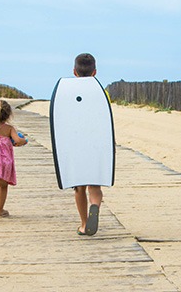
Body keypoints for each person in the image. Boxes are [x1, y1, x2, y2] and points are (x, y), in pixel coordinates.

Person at [72, 53, 106, 236]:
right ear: (95, 72)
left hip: (76, 144)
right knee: (95, 186)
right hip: (96, 144)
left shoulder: (68, 92)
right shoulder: (101, 91)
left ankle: (84, 224)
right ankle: (95, 205)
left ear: (74, 72)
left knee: (79, 187)